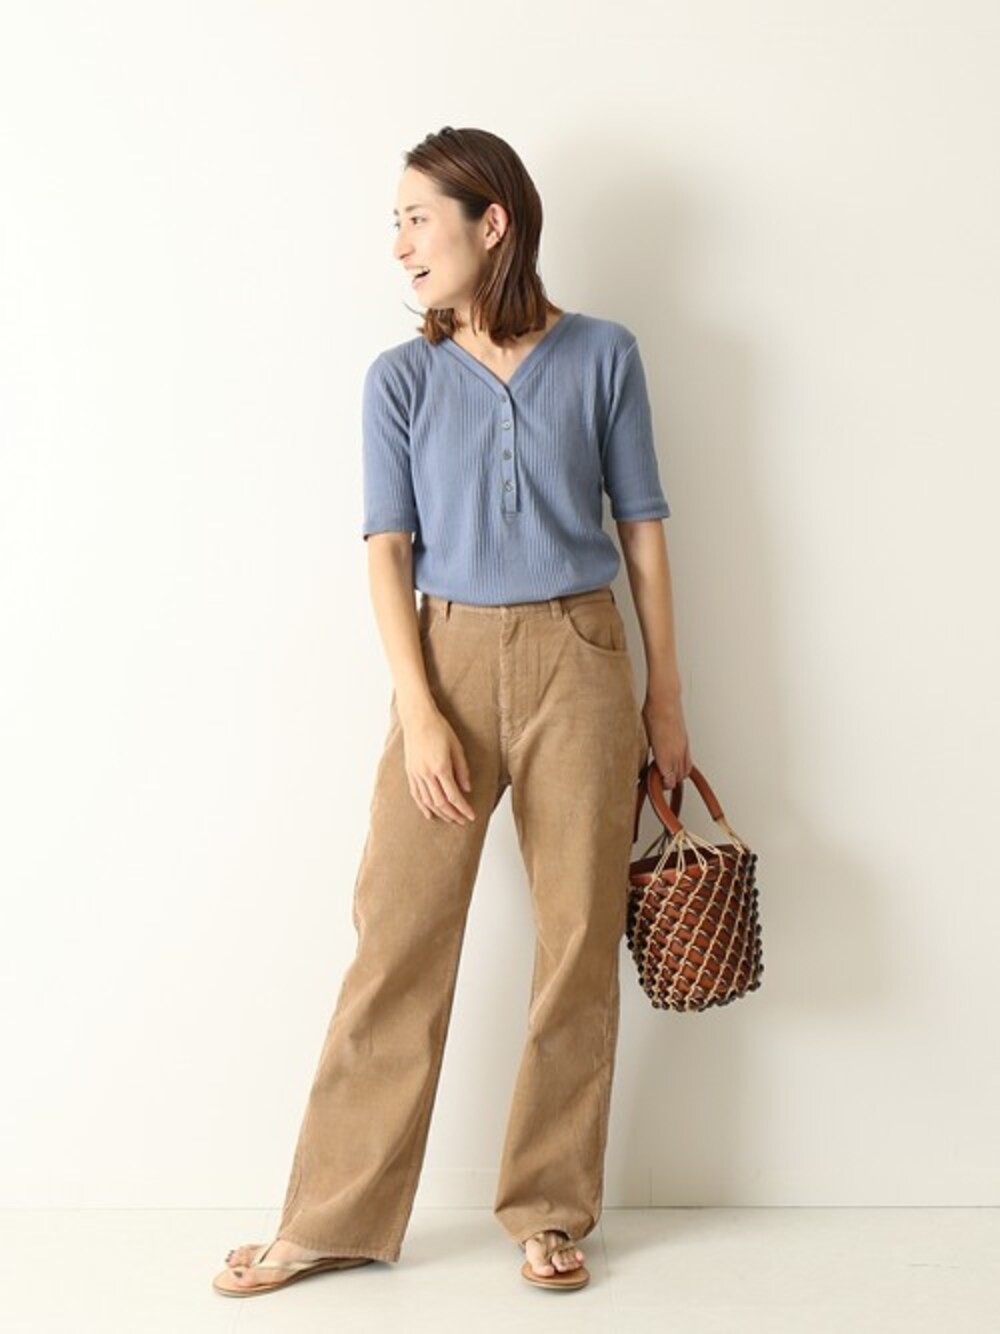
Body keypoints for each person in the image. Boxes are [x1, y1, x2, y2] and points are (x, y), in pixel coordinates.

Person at [213, 125, 691, 1299]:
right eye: (395, 223)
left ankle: (550, 1207)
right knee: (398, 941)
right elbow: (387, 550)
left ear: (493, 222)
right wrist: (421, 710)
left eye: (416, 218)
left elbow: (640, 530)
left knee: (576, 941)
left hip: (582, 657)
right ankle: (330, 1216)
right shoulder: (401, 378)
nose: (399, 244)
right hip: (447, 658)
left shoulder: (604, 353)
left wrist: (664, 699)